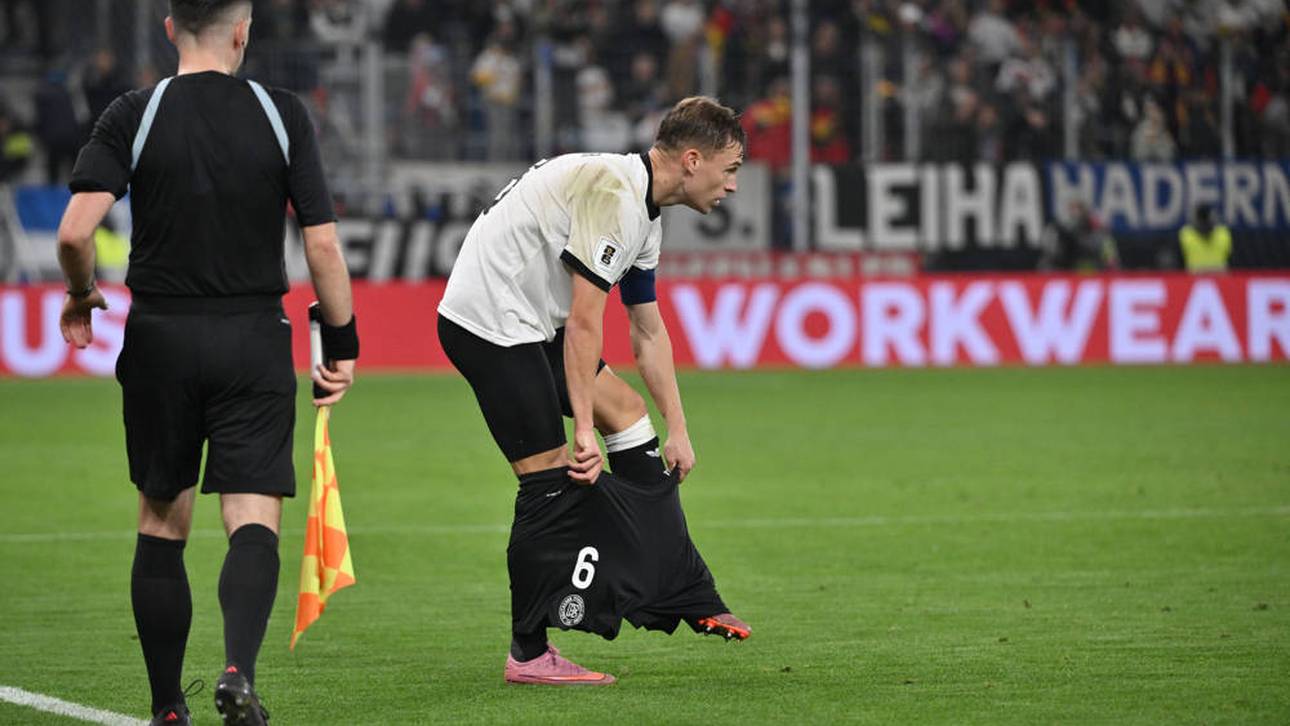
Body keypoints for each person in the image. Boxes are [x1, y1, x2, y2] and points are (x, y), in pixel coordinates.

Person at [55, 2, 357, 723]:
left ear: (169, 29)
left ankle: (166, 708)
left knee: (162, 522)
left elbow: (73, 233)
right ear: (242, 31)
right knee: (252, 518)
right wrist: (340, 345)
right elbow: (321, 246)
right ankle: (237, 673)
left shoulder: (136, 110)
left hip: (161, 335)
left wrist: (81, 294)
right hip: (253, 335)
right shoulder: (281, 112)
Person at [437, 96, 750, 686]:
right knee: (551, 476)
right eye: (729, 169)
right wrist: (582, 427)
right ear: (691, 160)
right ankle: (528, 654)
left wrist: (677, 428)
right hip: (491, 325)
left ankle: (673, 585)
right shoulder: (615, 197)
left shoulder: (643, 210)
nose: (733, 185)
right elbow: (585, 322)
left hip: (535, 324)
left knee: (630, 416)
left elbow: (647, 329)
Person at [1178, 204, 1232, 273]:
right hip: (1219, 277)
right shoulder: (1223, 233)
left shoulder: (1185, 234)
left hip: (1194, 277)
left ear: (1196, 217)